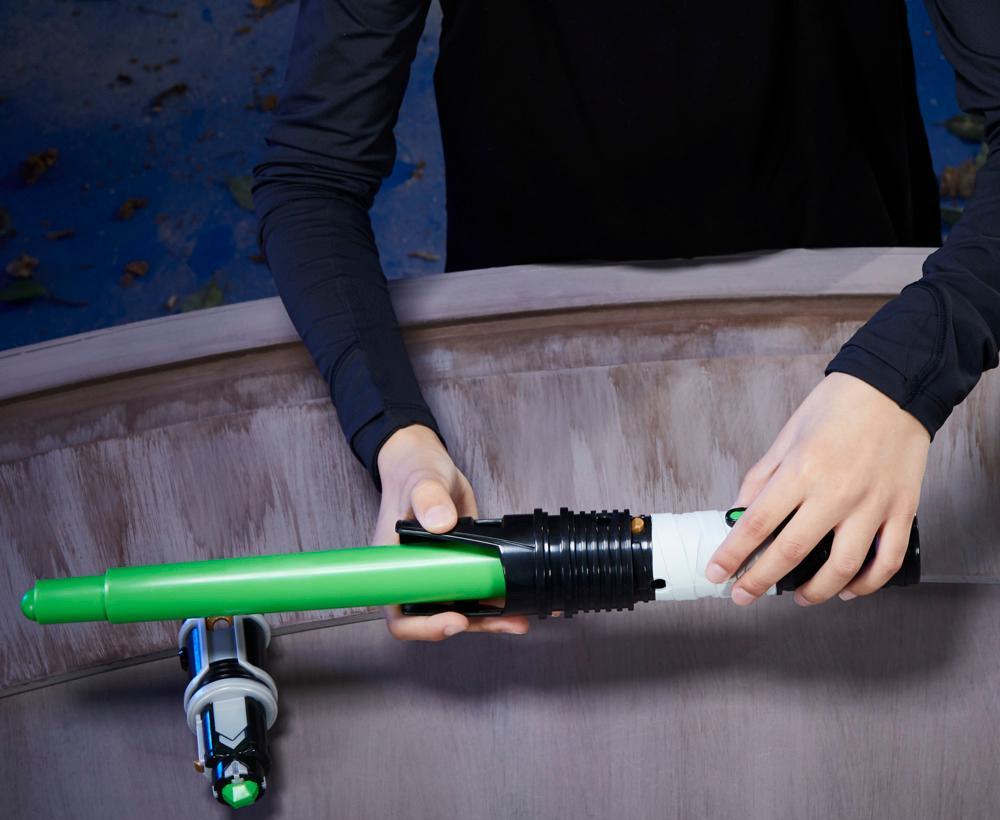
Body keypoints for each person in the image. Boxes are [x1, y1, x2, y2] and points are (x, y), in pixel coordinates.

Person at [253, 0, 999, 642]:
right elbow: (312, 175)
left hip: (856, 341)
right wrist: (398, 439)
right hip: (535, 348)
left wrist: (909, 371)